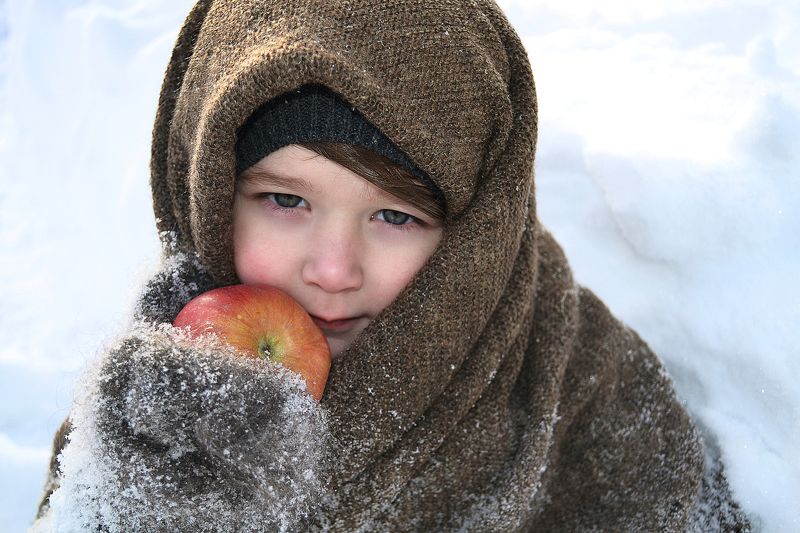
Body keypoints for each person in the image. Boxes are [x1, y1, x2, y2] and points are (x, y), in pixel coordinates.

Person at [32, 0, 752, 531]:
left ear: (476, 231)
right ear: (210, 192)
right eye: (286, 199)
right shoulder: (160, 395)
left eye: (396, 215)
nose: (335, 269)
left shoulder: (582, 387)